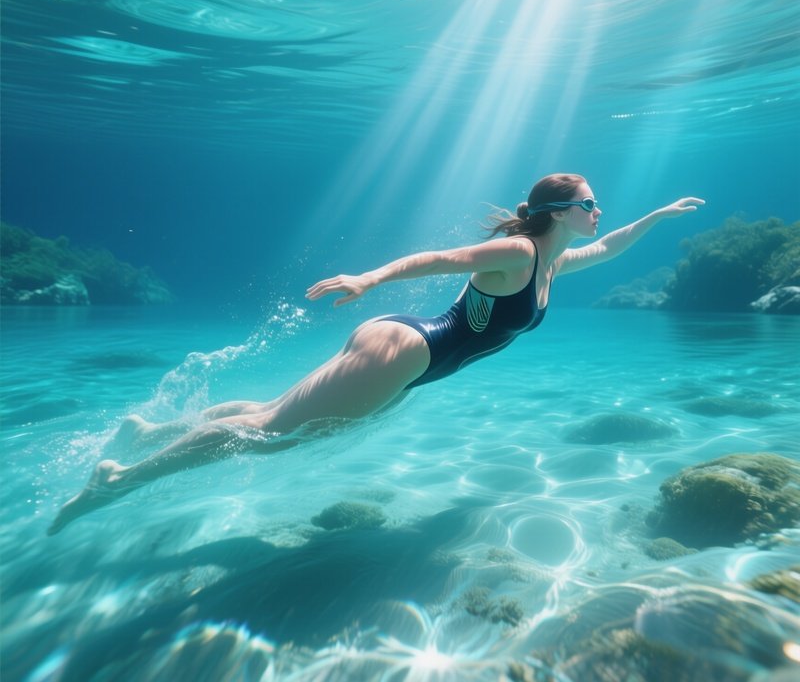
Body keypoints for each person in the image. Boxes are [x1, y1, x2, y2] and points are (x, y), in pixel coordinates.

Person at [48, 173, 704, 534]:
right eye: (590, 204)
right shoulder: (520, 254)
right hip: (403, 354)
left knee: (273, 411)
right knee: (271, 435)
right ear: (560, 212)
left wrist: (659, 217)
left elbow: (611, 246)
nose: (599, 212)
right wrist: (367, 278)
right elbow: (439, 257)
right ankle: (119, 479)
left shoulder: (555, 261)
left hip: (405, 347)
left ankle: (151, 432)